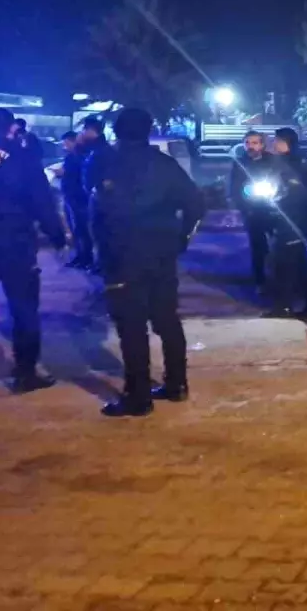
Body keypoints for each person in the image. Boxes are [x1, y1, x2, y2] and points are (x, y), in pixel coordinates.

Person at [92, 108, 203, 417]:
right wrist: (181, 239)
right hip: (162, 254)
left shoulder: (103, 161)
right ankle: (176, 383)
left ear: (117, 131)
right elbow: (196, 203)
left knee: (132, 326)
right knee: (167, 318)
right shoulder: (165, 164)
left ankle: (138, 397)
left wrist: (97, 252)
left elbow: (95, 210)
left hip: (121, 255)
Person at [0, 108, 68, 393]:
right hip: (14, 241)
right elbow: (41, 201)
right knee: (24, 307)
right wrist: (57, 236)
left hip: (13, 237)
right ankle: (26, 372)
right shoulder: (23, 159)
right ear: (10, 129)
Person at [267, 128, 307, 318]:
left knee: (285, 265)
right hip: (286, 220)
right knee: (298, 265)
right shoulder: (282, 162)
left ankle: (284, 305)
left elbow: (298, 195)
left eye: (277, 140)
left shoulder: (296, 164)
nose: (274, 143)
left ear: (287, 142)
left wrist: (278, 200)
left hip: (293, 222)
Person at [227, 130, 277, 292]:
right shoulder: (240, 162)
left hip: (273, 208)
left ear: (262, 144)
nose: (251, 146)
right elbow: (233, 186)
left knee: (280, 244)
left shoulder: (272, 160)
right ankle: (259, 280)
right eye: (247, 142)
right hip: (251, 210)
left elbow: (280, 178)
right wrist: (241, 206)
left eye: (255, 143)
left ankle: (283, 277)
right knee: (257, 246)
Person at [80, 116, 114, 275]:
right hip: (96, 198)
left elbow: (107, 177)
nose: (82, 133)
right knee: (98, 233)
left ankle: (105, 265)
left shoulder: (102, 150)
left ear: (91, 131)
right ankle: (101, 263)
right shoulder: (95, 149)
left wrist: (98, 187)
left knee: (102, 233)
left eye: (84, 130)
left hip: (102, 200)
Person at [59, 131, 92, 268]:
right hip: (71, 197)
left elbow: (76, 175)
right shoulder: (74, 156)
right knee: (75, 229)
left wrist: (62, 173)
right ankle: (80, 256)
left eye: (66, 143)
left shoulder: (78, 157)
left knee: (80, 229)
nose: (64, 146)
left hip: (76, 197)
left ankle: (85, 258)